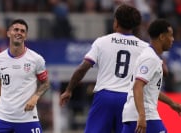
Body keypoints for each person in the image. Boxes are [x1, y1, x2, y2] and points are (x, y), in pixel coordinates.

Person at [60, 4, 150, 133]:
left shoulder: (102, 42)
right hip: (130, 99)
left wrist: (69, 90)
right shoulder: (145, 47)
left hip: (105, 96)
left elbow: (83, 68)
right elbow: (160, 70)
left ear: (116, 23)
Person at [122, 19, 181, 133]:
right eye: (170, 35)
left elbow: (150, 89)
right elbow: (138, 86)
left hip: (133, 114)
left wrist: (172, 104)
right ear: (162, 37)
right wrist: (142, 116)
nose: (172, 39)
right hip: (146, 115)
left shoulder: (151, 56)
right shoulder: (150, 58)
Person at [0, 19, 50, 133]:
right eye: (16, 29)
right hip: (3, 117)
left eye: (22, 31)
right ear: (8, 33)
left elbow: (46, 83)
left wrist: (35, 97)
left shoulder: (36, 59)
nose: (19, 33)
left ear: (25, 36)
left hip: (27, 118)